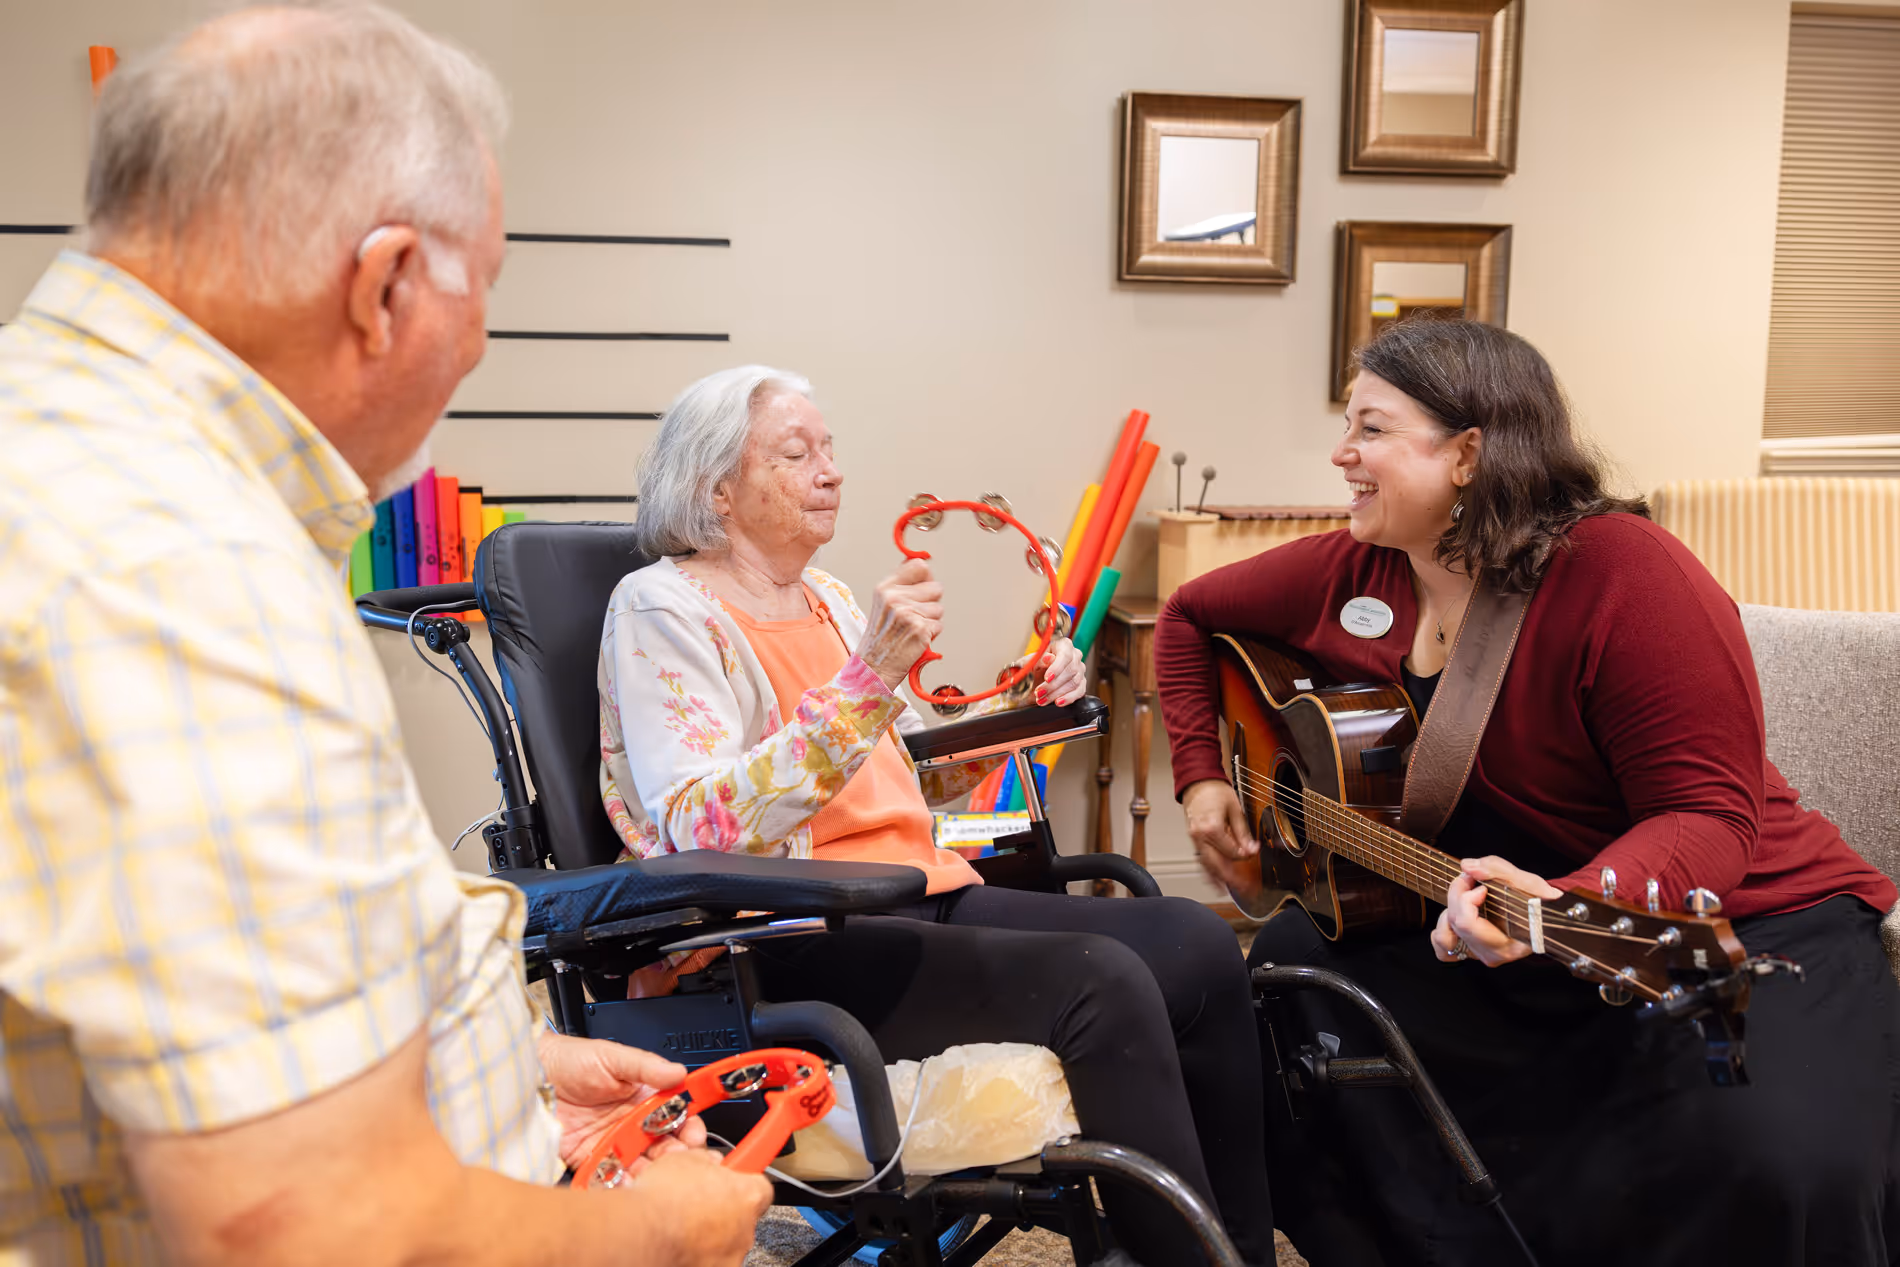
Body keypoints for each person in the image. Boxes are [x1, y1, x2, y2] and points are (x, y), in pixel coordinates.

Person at [0, 6, 768, 1265]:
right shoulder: (183, 571)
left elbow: (171, 994)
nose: (475, 344)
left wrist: (489, 1054)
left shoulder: (68, 455)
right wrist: (656, 1236)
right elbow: (312, 1227)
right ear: (386, 282)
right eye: (487, 291)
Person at [1156, 318, 1900, 1267]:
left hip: (1731, 927)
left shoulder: (1627, 574)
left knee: (1771, 1162)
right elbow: (1186, 617)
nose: (1342, 454)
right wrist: (1203, 776)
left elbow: (1710, 817)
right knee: (1290, 992)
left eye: (1372, 428)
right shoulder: (1351, 570)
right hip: (1498, 926)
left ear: (1468, 453)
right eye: (1350, 425)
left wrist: (1573, 900)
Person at [598, 364, 1276, 1266]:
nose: (830, 470)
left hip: (919, 892)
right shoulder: (661, 606)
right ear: (715, 490)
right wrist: (871, 674)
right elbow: (700, 828)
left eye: (829, 449)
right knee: (1100, 979)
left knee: (1196, 942)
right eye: (796, 454)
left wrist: (1029, 708)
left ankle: (1241, 1251)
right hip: (789, 932)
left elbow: (921, 776)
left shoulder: (832, 600)